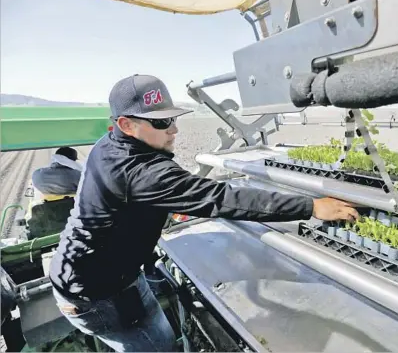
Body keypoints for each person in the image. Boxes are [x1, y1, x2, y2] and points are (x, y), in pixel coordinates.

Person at [48, 74, 359, 352]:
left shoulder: (110, 144)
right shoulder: (142, 172)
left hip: (102, 272)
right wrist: (312, 206)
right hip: (97, 294)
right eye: (161, 123)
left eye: (172, 118)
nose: (174, 129)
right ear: (126, 125)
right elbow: (221, 198)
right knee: (158, 345)